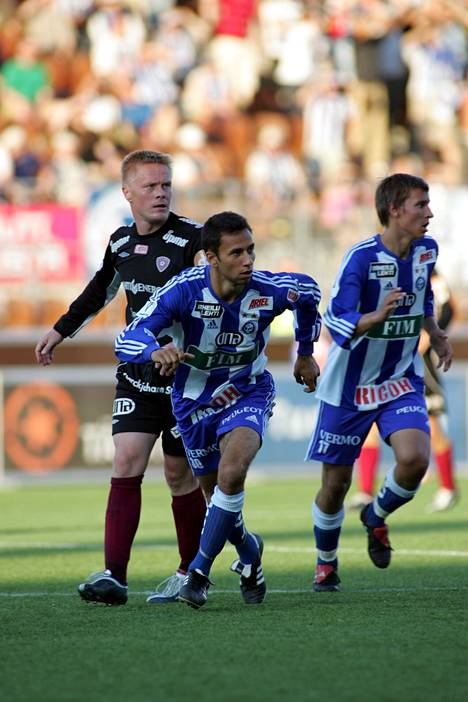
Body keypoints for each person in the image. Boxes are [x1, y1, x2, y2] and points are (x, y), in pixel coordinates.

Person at [115, 211, 322, 608]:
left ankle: (199, 574)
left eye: (251, 251)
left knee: (233, 472)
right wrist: (154, 349)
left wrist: (306, 354)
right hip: (194, 403)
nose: (248, 261)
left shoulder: (267, 290)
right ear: (211, 257)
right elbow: (127, 337)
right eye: (236, 253)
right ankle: (250, 553)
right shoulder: (183, 291)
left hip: (247, 391)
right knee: (219, 504)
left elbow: (309, 293)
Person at [35, 150, 208, 606]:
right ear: (127, 192)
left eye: (166, 184)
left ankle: (190, 573)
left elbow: (210, 301)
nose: (161, 193)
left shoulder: (193, 239)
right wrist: (59, 331)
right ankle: (114, 575)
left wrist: (186, 347)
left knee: (178, 475)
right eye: (151, 186)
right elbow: (100, 290)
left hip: (185, 378)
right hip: (139, 371)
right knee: (126, 461)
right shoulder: (120, 243)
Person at [305, 173, 453, 592]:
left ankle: (375, 515)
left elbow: (423, 297)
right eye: (420, 205)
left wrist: (435, 331)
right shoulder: (361, 258)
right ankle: (326, 562)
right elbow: (333, 319)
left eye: (428, 204)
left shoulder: (427, 250)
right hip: (348, 387)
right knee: (335, 485)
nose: (429, 213)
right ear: (393, 210)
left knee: (414, 459)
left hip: (398, 379)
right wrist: (374, 317)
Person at [350, 268, 459, 513]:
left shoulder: (432, 278)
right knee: (369, 427)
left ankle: (448, 488)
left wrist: (428, 335)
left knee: (433, 427)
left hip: (420, 367)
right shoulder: (391, 276)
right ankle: (365, 492)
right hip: (386, 366)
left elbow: (449, 309)